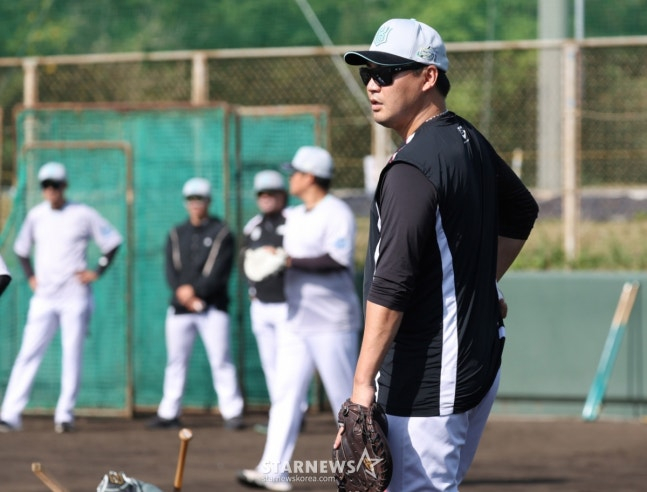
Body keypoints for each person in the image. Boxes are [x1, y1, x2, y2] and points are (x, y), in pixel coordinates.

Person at [334, 18, 539, 491]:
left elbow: (391, 283)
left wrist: (361, 386)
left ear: (429, 76)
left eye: (387, 73)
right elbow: (521, 210)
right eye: (368, 73)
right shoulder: (466, 138)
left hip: (429, 374)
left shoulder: (412, 166)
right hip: (474, 360)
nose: (372, 85)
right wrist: (480, 285)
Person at [238, 146, 361, 491]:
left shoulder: (336, 212)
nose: (290, 178)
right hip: (297, 320)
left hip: (332, 322)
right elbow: (281, 251)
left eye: (295, 172)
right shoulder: (294, 215)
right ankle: (272, 471)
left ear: (310, 177)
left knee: (346, 403)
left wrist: (289, 261)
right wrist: (272, 255)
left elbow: (337, 259)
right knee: (285, 396)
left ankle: (369, 473)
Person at [0, 161, 122, 433]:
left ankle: (65, 414)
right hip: (44, 296)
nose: (51, 190)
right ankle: (10, 414)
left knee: (71, 354)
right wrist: (31, 276)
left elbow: (112, 241)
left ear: (64, 185)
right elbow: (21, 249)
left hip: (74, 296)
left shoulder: (83, 213)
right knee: (28, 353)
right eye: (46, 185)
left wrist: (97, 270)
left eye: (55, 184)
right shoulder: (36, 215)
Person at [148, 177, 245, 431]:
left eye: (199, 198)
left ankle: (232, 412)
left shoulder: (222, 232)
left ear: (208, 201)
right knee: (176, 361)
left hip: (213, 308)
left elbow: (219, 271)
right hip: (180, 309)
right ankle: (169, 412)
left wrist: (196, 291)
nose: (195, 203)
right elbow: (171, 270)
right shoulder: (176, 233)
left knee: (221, 360)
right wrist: (184, 294)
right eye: (191, 199)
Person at [241, 170, 308, 435]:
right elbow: (245, 262)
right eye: (262, 193)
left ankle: (298, 411)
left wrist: (277, 253)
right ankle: (281, 414)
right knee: (270, 364)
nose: (266, 197)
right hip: (260, 304)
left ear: (282, 195)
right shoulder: (252, 226)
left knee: (290, 364)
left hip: (287, 304)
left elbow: (303, 252)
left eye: (271, 193)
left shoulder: (294, 220)